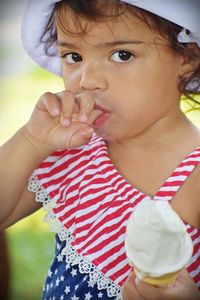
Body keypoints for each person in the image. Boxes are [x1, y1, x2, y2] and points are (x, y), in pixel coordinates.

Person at [0, 0, 200, 299]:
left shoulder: (194, 178)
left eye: (122, 55)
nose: (87, 80)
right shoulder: (74, 149)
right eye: (73, 56)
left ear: (187, 56)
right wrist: (31, 142)